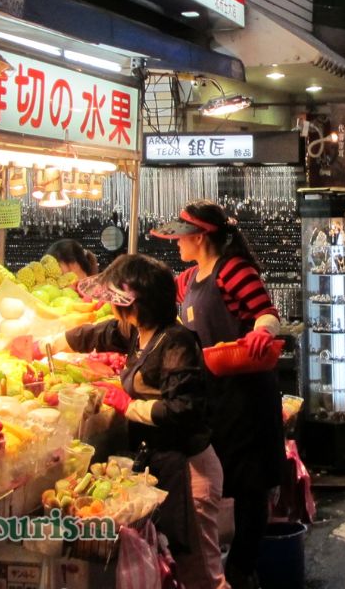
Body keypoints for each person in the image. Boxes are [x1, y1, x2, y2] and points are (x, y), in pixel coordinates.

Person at [66, 255, 227, 589]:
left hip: (190, 473)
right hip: (165, 468)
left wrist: (129, 406)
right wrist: (44, 345)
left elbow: (183, 410)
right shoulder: (138, 333)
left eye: (114, 300)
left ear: (135, 304)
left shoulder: (176, 342)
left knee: (201, 574)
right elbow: (99, 333)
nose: (110, 307)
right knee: (177, 569)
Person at [151, 202, 285, 589]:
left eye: (181, 235)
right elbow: (160, 299)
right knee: (220, 479)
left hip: (247, 395)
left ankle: (242, 569)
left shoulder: (233, 271)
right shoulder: (190, 278)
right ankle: (222, 567)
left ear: (200, 237)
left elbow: (267, 312)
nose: (176, 242)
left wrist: (262, 331)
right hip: (214, 394)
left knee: (250, 486)